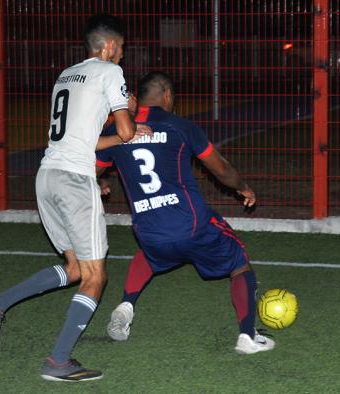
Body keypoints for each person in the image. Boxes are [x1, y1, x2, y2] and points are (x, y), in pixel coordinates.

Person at [0, 14, 149, 382]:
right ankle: (59, 361)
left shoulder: (67, 75)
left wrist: (122, 136)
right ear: (111, 46)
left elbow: (87, 140)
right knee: (95, 277)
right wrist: (130, 115)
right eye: (122, 50)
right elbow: (125, 128)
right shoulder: (110, 72)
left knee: (74, 269)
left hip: (48, 176)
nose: (122, 57)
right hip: (73, 181)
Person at [96, 71, 275, 354]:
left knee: (150, 254)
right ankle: (247, 336)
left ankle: (125, 306)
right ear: (166, 94)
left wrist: (102, 180)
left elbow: (91, 169)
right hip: (191, 225)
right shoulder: (179, 126)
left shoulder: (116, 132)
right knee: (239, 263)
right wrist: (243, 187)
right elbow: (221, 169)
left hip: (148, 230)